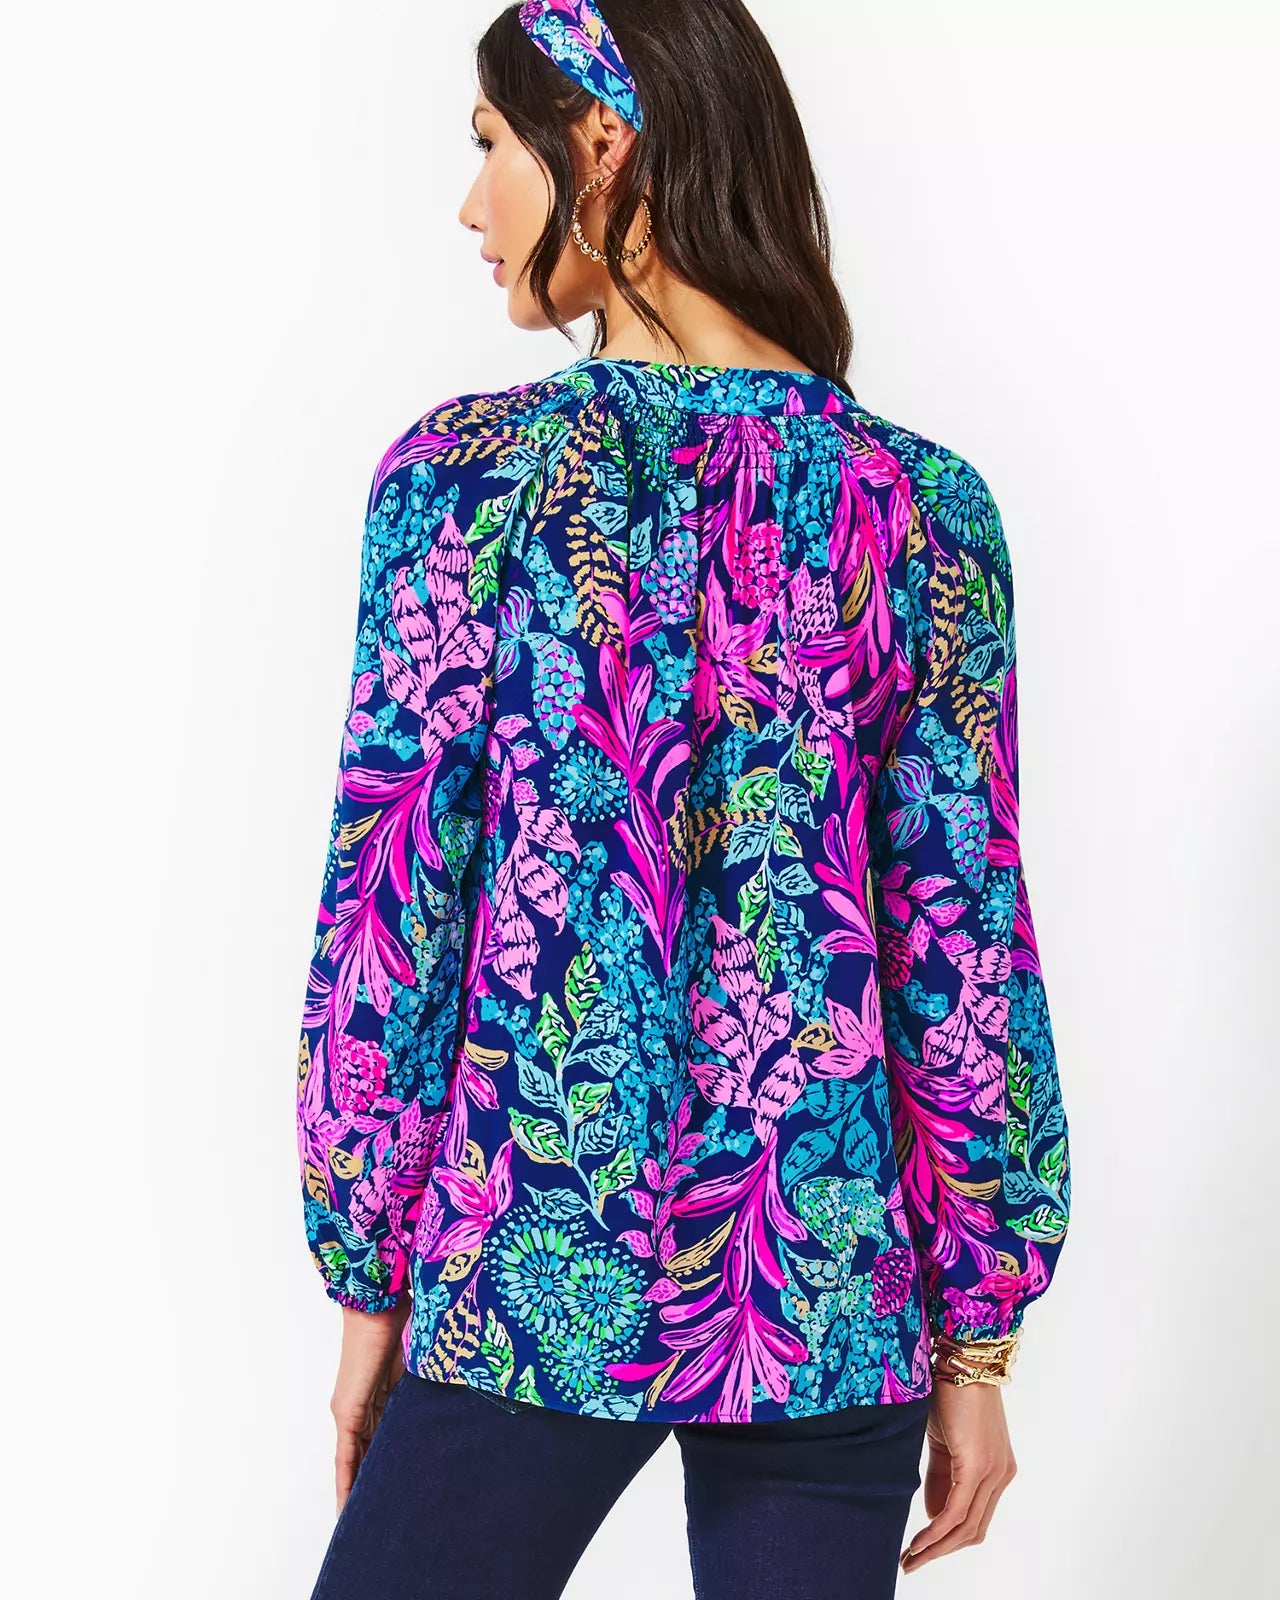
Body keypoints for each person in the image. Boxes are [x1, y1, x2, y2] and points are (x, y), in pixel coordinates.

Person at [295, 3, 1072, 1596]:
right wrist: (974, 1344)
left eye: (491, 146)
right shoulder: (923, 509)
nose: (470, 205)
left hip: (530, 1267)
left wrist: (370, 1279)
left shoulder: (469, 483)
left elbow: (395, 912)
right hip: (827, 1280)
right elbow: (963, 951)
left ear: (602, 138)